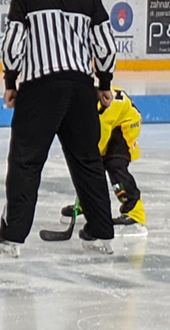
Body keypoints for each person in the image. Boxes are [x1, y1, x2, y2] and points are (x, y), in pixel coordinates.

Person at [0, 0, 118, 257]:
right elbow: (106, 46)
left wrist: (11, 82)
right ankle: (101, 232)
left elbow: (12, 44)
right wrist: (104, 83)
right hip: (80, 89)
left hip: (40, 87)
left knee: (25, 161)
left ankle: (13, 236)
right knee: (88, 161)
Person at [59, 85, 147, 230]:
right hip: (111, 119)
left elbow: (96, 148)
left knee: (114, 164)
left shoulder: (97, 109)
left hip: (126, 122)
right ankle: (89, 203)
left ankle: (135, 212)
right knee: (88, 163)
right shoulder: (79, 103)